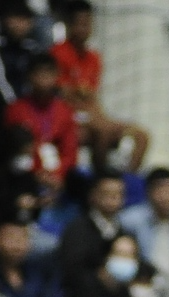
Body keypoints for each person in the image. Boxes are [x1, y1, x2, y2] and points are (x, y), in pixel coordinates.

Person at [54, 1, 147, 171]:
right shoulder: (57, 53)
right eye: (80, 24)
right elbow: (66, 97)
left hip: (92, 116)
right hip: (70, 118)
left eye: (88, 24)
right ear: (69, 26)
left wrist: (98, 115)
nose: (84, 30)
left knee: (141, 135)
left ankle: (127, 180)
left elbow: (90, 95)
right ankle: (101, 177)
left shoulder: (94, 58)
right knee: (104, 132)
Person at [2, 54, 79, 193]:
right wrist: (39, 173)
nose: (44, 78)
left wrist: (58, 174)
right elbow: (17, 150)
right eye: (39, 73)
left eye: (49, 72)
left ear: (56, 76)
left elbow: (69, 150)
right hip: (28, 173)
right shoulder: (16, 110)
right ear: (29, 76)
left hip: (58, 174)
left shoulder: (64, 110)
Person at [56, 170, 126, 278]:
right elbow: (72, 270)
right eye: (107, 193)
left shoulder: (124, 232)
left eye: (118, 194)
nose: (114, 198)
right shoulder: (77, 230)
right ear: (93, 195)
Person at [0, 0, 44, 113]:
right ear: (4, 20)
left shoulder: (33, 48)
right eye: (16, 19)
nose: (20, 25)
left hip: (30, 110)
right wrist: (17, 108)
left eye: (25, 20)